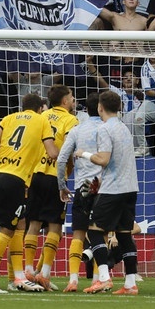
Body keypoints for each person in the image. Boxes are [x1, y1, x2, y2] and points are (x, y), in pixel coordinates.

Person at [0, 92, 47, 293]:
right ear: (40, 108)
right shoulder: (41, 121)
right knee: (7, 229)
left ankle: (18, 277)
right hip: (15, 179)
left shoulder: (8, 118)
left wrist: (10, 155)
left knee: (20, 224)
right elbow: (51, 152)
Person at [77, 90, 142, 295]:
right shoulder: (123, 128)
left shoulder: (104, 129)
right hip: (130, 188)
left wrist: (83, 154)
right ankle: (130, 284)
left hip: (114, 189)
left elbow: (103, 159)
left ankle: (104, 278)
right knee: (124, 235)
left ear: (100, 108)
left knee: (94, 231)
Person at [23, 84, 79, 290]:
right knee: (55, 225)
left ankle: (28, 270)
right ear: (65, 101)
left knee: (34, 224)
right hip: (56, 176)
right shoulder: (71, 120)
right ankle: (44, 273)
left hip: (36, 175)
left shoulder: (41, 117)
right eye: (72, 97)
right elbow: (70, 150)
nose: (73, 101)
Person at [56, 93, 105, 293]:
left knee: (78, 234)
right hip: (103, 187)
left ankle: (73, 280)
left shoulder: (77, 130)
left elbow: (61, 160)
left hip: (82, 187)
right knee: (100, 234)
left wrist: (61, 185)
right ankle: (98, 280)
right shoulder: (107, 129)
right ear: (101, 108)